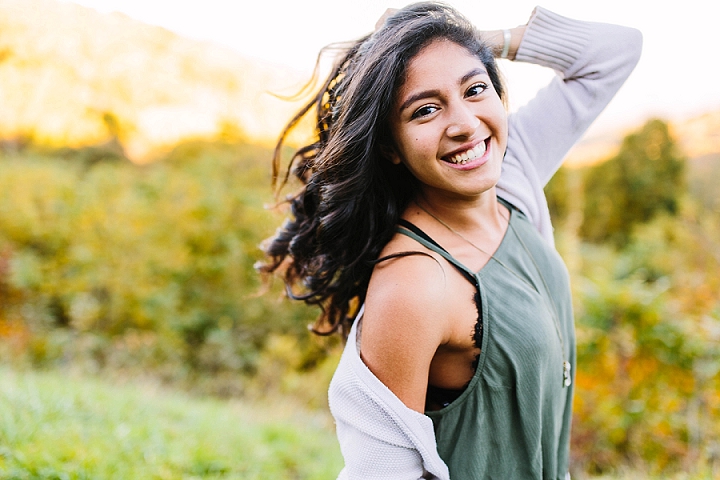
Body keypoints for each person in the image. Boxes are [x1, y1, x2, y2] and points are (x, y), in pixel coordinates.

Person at [259, 2, 642, 479]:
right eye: (425, 110)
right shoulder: (416, 284)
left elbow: (615, 50)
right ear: (389, 147)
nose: (464, 123)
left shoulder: (509, 173)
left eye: (475, 89)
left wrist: (457, 36)